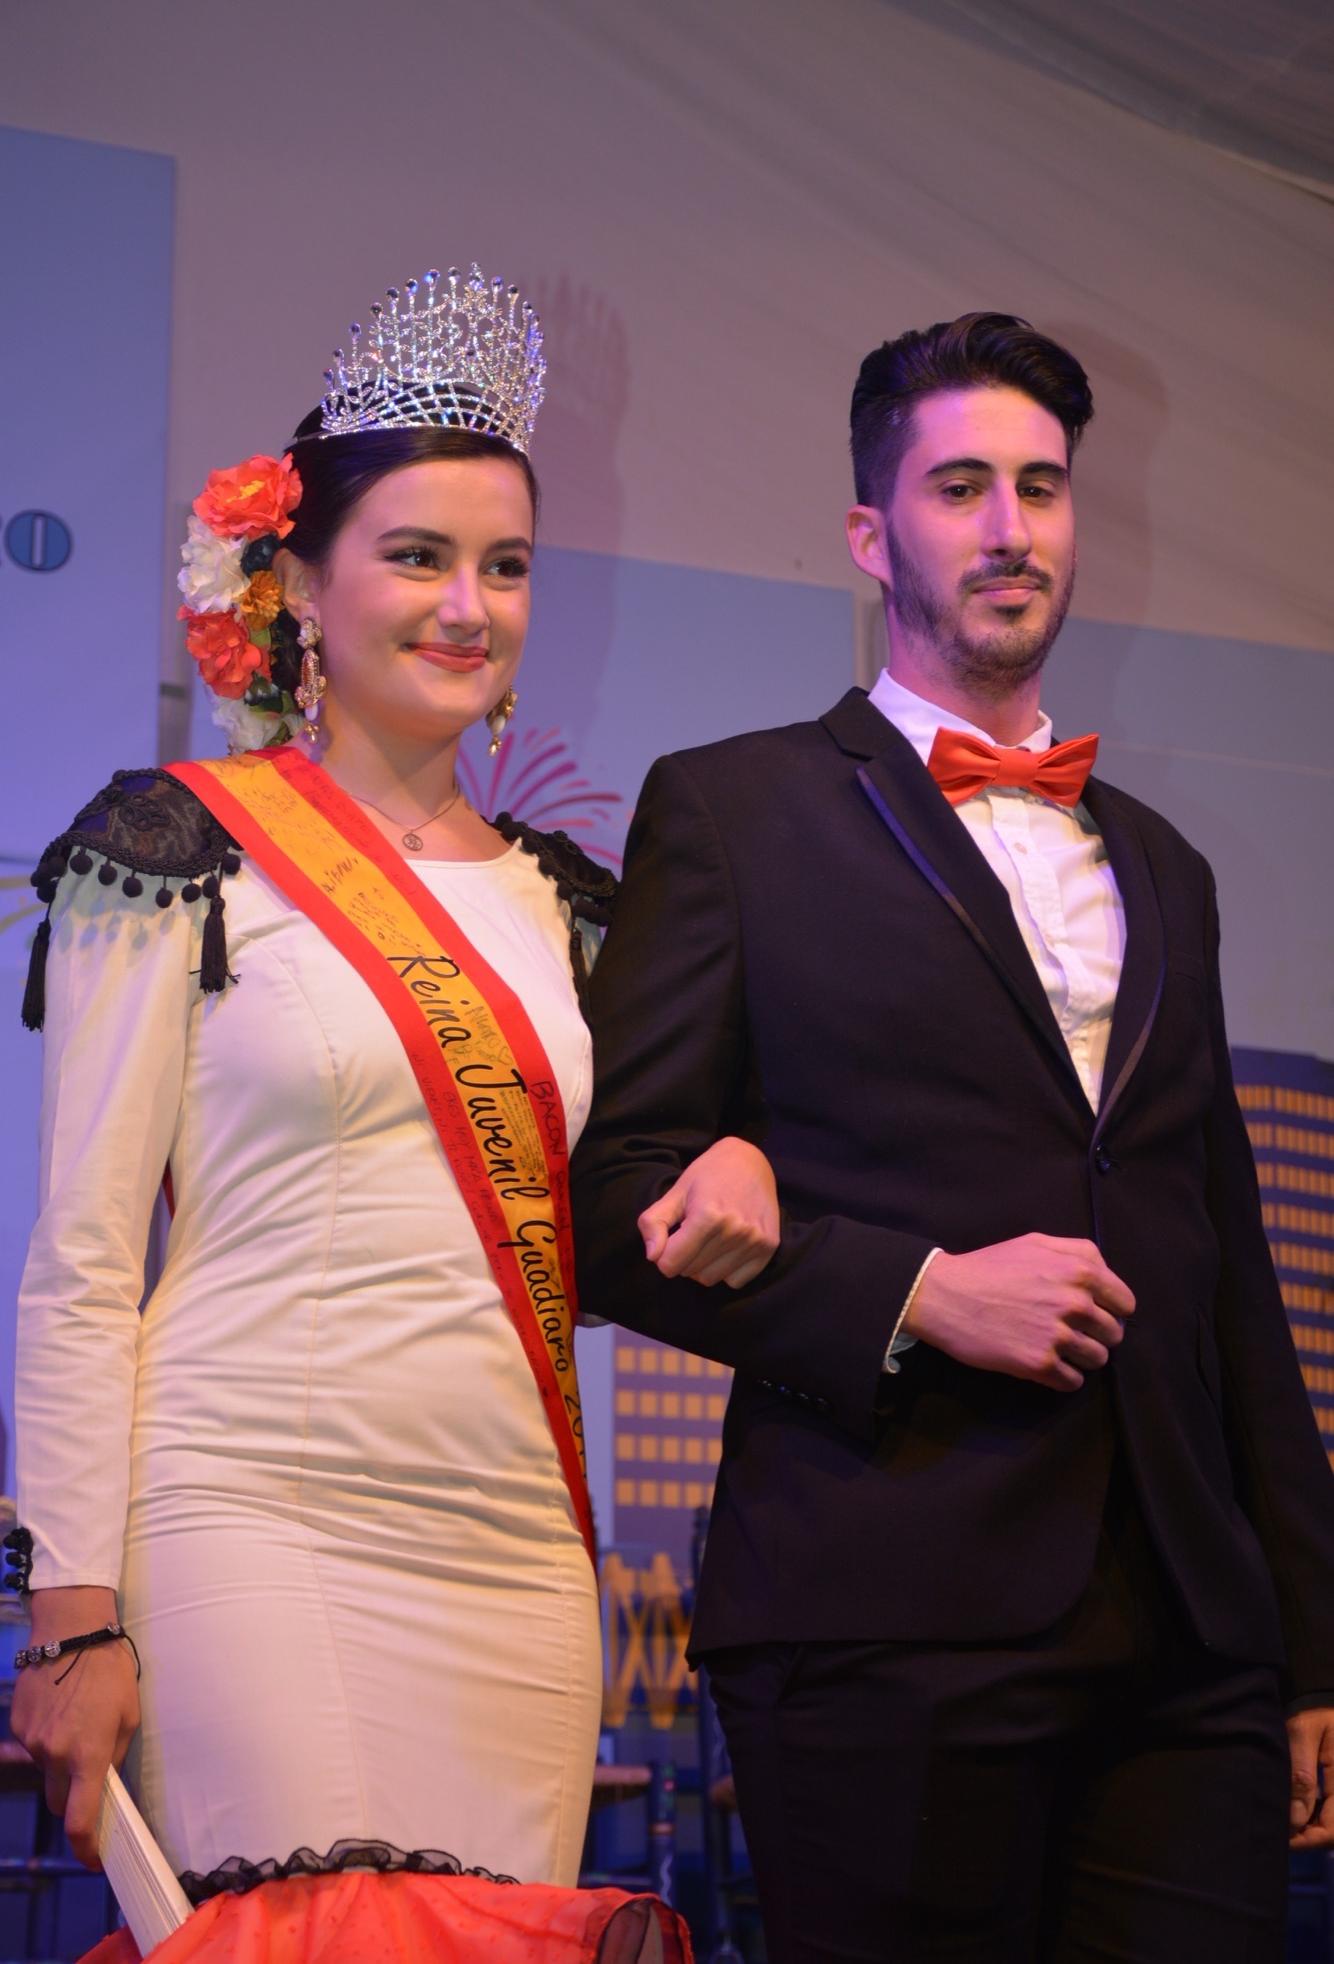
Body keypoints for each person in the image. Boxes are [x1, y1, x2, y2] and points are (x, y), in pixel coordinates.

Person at [9, 265, 775, 1964]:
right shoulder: (176, 847)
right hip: (251, 1507)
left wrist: (737, 1153)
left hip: (515, 1547)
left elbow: (633, 1188)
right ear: (298, 583)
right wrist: (68, 1615)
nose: (467, 607)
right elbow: (80, 1259)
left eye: (505, 566)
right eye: (418, 557)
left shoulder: (575, 911)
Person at [570, 312, 1334, 1962]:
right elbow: (612, 1204)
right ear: (870, 534)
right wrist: (918, 1293)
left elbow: (1226, 1268)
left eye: (1041, 489)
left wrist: (1305, 1638)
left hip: (1188, 1628)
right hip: (882, 1605)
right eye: (959, 487)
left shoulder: (1166, 865)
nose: (1009, 528)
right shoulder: (733, 809)